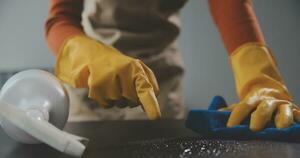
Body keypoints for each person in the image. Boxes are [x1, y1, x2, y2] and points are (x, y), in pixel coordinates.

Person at [45, 0, 300, 132]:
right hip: (93, 81)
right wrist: (89, 59)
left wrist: (259, 79)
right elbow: (60, 19)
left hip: (160, 81)